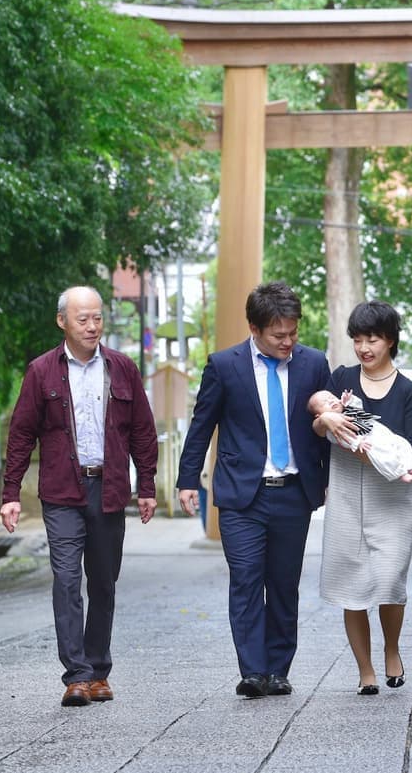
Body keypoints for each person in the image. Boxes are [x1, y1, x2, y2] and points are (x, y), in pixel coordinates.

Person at [0, 286, 158, 708]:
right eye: (83, 319)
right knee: (67, 579)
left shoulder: (121, 368)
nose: (92, 326)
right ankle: (76, 676)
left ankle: (99, 670)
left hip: (108, 490)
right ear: (62, 322)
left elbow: (142, 429)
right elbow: (21, 436)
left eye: (97, 318)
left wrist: (146, 486)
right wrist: (10, 494)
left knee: (103, 581)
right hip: (61, 491)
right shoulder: (41, 372)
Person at [176, 281, 333, 698]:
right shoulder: (224, 366)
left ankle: (279, 669)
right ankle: (253, 670)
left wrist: (330, 481)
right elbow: (202, 425)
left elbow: (325, 430)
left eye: (293, 333)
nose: (288, 341)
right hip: (242, 494)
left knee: (283, 584)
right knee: (245, 580)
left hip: (294, 492)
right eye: (279, 334)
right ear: (254, 328)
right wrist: (187, 479)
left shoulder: (314, 364)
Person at [311, 301, 412, 696]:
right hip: (347, 490)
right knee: (350, 581)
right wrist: (324, 419)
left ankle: (392, 648)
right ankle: (365, 670)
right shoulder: (341, 377)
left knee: (389, 577)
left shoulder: (408, 388)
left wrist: (377, 448)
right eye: (358, 339)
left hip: (391, 493)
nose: (364, 347)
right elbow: (317, 423)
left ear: (390, 340)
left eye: (372, 339)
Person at [308, 390, 412, 483]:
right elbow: (344, 439)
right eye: (324, 403)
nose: (331, 401)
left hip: (378, 430)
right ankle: (400, 474)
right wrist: (358, 443)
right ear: (319, 415)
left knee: (402, 443)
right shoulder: (332, 429)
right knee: (382, 454)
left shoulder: (348, 409)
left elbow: (359, 406)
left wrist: (349, 400)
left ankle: (409, 466)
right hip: (367, 440)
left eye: (331, 397)